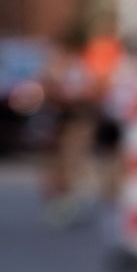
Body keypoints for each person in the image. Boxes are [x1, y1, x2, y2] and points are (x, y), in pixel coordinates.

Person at [41, 32, 97, 225]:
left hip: (75, 121)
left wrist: (68, 97)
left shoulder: (80, 68)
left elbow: (89, 93)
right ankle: (57, 201)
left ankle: (67, 204)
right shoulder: (52, 68)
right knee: (54, 166)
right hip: (55, 121)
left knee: (71, 162)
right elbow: (45, 91)